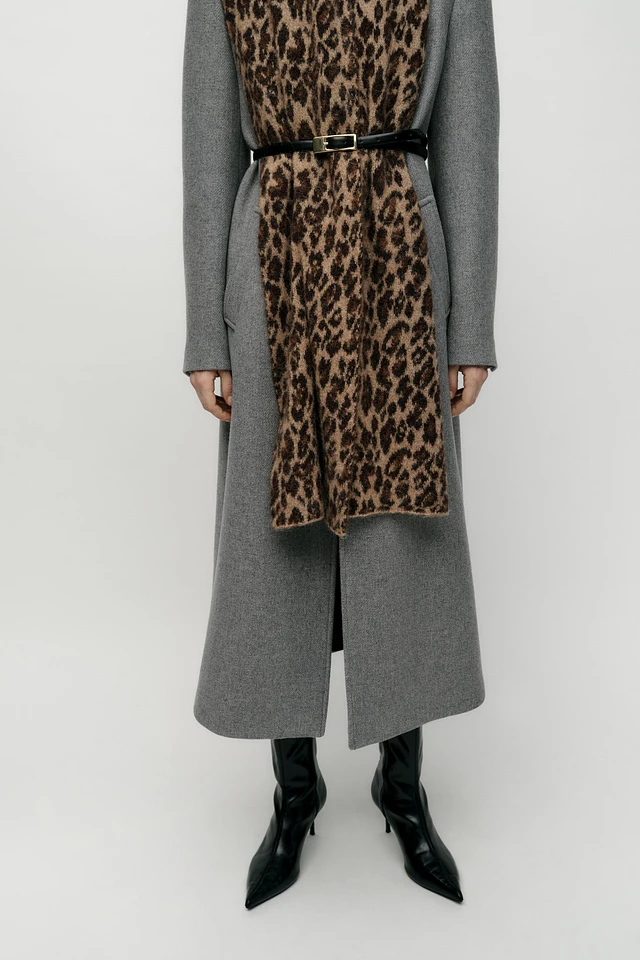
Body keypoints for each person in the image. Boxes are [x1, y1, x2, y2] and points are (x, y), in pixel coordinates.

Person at [181, 0, 499, 910]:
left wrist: (470, 325)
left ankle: (403, 789)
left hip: (400, 252)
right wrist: (205, 332)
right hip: (270, 257)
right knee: (274, 539)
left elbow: (468, 130)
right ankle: (295, 793)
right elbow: (209, 141)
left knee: (401, 537)